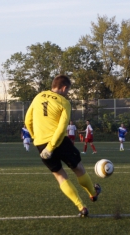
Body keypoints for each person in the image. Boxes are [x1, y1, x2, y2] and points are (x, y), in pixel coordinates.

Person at [25, 75, 101, 217]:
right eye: (68, 90)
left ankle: (81, 207)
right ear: (64, 88)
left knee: (60, 176)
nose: (67, 93)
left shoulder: (38, 96)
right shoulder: (64, 102)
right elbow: (61, 128)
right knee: (78, 169)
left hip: (41, 144)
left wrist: (36, 138)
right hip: (59, 141)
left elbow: (27, 120)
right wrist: (52, 146)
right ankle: (93, 193)